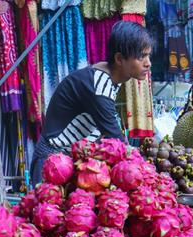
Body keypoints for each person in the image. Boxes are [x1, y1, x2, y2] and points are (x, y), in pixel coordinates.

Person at [29, 21, 153, 183]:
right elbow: (117, 141)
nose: (148, 63)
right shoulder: (100, 87)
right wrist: (146, 171)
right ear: (119, 59)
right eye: (141, 56)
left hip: (69, 160)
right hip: (52, 163)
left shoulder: (109, 75)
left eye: (148, 55)